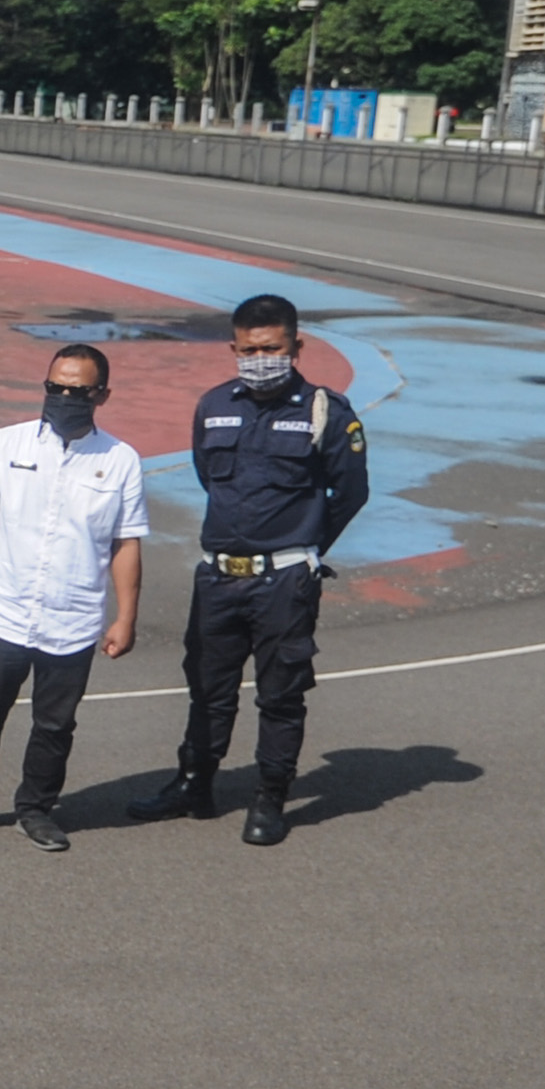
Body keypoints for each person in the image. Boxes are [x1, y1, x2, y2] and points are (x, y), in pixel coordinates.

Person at [130, 294, 370, 845]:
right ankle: (195, 783)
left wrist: (307, 548)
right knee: (207, 688)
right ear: (234, 348)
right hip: (218, 577)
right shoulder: (214, 404)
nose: (261, 357)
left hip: (284, 580)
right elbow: (208, 478)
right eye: (249, 349)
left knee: (280, 693)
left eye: (273, 348)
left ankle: (270, 796)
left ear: (296, 347)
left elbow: (351, 491)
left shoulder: (323, 411)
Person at [0, 342, 146, 852]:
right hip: (4, 609)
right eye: (54, 388)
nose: (64, 398)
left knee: (54, 723)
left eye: (77, 391)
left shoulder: (121, 461)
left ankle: (36, 808)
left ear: (102, 395)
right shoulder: (7, 444)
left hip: (73, 618)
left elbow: (125, 544)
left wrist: (125, 616)